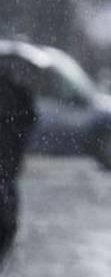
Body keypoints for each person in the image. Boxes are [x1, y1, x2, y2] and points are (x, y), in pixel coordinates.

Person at [0, 69, 36, 265]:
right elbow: (30, 119)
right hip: (9, 155)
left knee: (7, 191)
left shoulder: (15, 93)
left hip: (8, 155)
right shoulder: (17, 91)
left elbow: (29, 118)